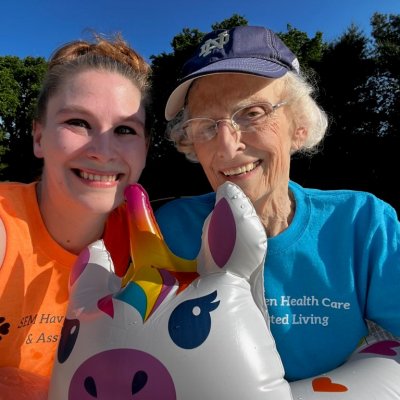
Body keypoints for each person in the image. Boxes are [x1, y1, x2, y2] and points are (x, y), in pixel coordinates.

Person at [155, 25, 400, 382]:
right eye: (206, 125)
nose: (226, 145)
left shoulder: (362, 223)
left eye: (252, 113)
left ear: (299, 125)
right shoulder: (170, 230)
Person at [0, 33, 151, 396]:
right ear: (39, 137)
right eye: (78, 122)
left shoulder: (151, 245)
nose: (102, 150)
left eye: (125, 129)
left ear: (145, 149)